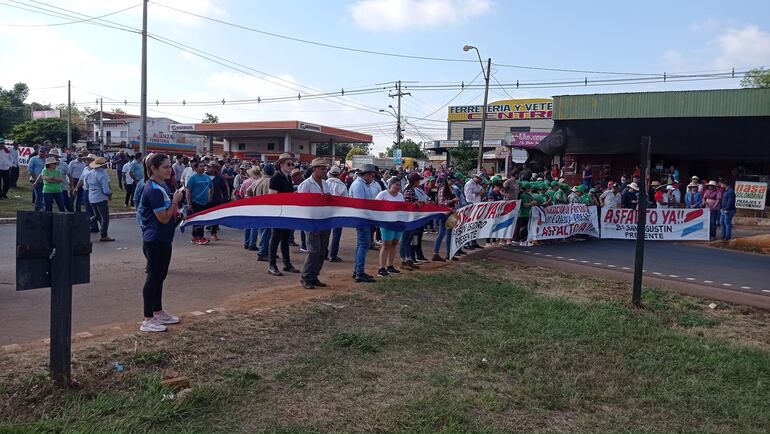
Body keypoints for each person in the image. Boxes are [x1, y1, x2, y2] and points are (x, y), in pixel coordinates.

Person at [139, 153, 184, 332]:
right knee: (153, 277)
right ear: (153, 169)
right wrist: (174, 202)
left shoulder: (161, 186)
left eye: (169, 166)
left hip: (163, 238)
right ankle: (147, 319)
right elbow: (163, 218)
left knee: (160, 276)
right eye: (165, 167)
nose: (169, 170)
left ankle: (157, 311)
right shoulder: (153, 190)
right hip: (155, 239)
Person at [297, 158, 331, 289]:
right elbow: (302, 204)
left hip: (324, 220)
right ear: (315, 169)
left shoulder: (326, 184)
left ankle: (314, 275)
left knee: (322, 251)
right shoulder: (306, 185)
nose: (324, 171)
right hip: (311, 221)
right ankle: (305, 276)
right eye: (322, 168)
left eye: (325, 169)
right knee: (314, 251)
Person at [267, 153, 301, 276]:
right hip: (278, 212)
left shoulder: (287, 178)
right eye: (289, 164)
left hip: (286, 212)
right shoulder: (276, 178)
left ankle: (287, 264)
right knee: (275, 239)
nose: (292, 166)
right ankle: (272, 265)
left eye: (292, 164)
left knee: (285, 239)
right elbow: (272, 197)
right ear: (281, 164)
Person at [348, 163, 377, 283]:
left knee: (362, 244)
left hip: (364, 217)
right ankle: (359, 271)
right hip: (362, 218)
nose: (373, 178)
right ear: (368, 174)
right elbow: (361, 203)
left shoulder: (363, 184)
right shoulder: (359, 185)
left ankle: (358, 270)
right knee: (363, 244)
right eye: (372, 175)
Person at [375, 177, 404, 277]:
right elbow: (376, 207)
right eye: (396, 185)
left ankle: (390, 266)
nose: (398, 187)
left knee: (394, 244)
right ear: (390, 185)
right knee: (386, 244)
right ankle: (381, 268)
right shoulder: (382, 194)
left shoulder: (400, 196)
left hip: (397, 222)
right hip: (386, 222)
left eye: (399, 185)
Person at [86, 156, 114, 241]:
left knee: (96, 215)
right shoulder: (103, 174)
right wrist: (110, 193)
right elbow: (105, 190)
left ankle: (83, 224)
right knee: (105, 217)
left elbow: (86, 185)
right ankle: (104, 235)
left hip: (91, 197)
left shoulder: (90, 173)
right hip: (100, 198)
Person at [186, 161, 213, 245]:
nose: (202, 167)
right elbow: (188, 190)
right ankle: (198, 237)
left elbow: (212, 187)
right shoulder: (193, 178)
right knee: (197, 220)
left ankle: (198, 236)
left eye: (203, 166)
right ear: (196, 168)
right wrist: (189, 203)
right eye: (200, 166)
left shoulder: (206, 177)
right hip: (195, 202)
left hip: (205, 202)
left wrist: (210, 197)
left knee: (203, 220)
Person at [325, 165, 348, 262]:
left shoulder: (325, 183)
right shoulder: (342, 185)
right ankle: (333, 255)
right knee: (336, 234)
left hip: (325, 211)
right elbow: (346, 200)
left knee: (325, 234)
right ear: (339, 174)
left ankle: (324, 253)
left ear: (329, 173)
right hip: (338, 212)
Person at [434, 176, 459, 261]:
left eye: (452, 179)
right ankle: (436, 253)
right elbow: (441, 202)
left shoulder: (451, 188)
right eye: (449, 179)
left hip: (451, 212)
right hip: (444, 213)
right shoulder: (443, 188)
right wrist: (452, 201)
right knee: (441, 233)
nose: (451, 180)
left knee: (450, 233)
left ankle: (449, 253)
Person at [207, 163, 229, 241]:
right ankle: (199, 234)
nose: (207, 169)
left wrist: (225, 200)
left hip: (216, 200)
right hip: (204, 200)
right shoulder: (204, 176)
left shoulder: (220, 178)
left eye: (210, 167)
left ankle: (214, 233)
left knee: (216, 217)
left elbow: (224, 190)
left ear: (215, 169)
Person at [27, 146, 47, 211]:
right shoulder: (33, 159)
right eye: (40, 151)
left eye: (43, 152)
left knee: (45, 196)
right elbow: (30, 170)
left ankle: (43, 210)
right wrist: (36, 179)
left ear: (46, 152)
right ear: (38, 151)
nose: (41, 153)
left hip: (45, 180)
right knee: (39, 196)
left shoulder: (47, 160)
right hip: (35, 180)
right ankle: (38, 210)